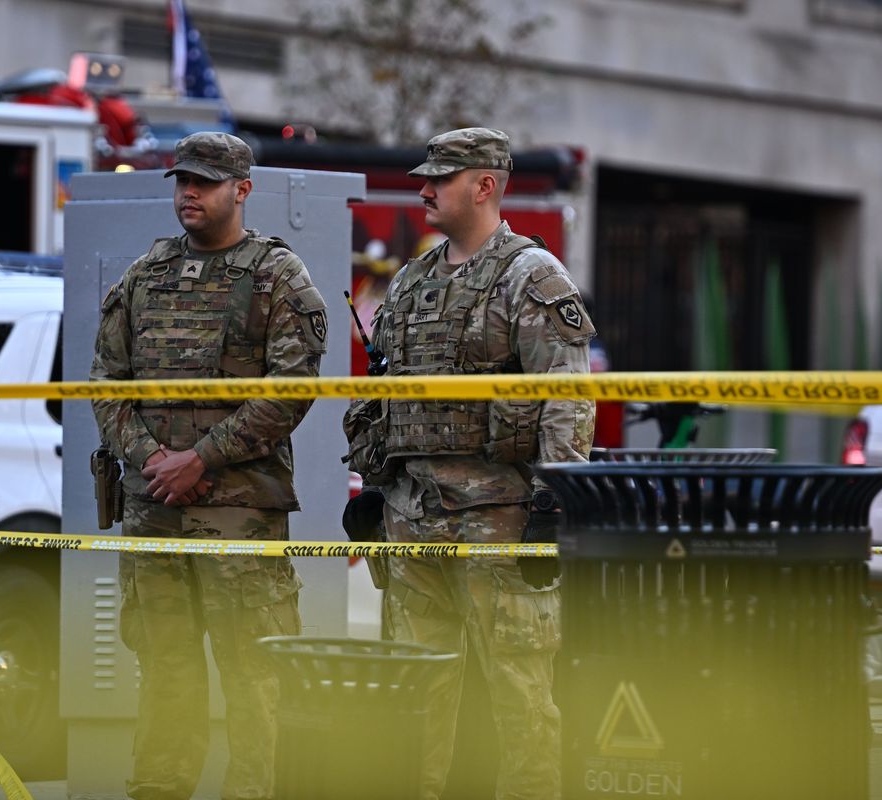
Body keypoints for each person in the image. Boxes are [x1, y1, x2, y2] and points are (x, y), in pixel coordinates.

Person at [345, 127, 596, 799]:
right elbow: (383, 392)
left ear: (484, 185)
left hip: (499, 524)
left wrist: (553, 504)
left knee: (520, 696)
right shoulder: (412, 282)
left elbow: (566, 399)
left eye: (440, 178)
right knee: (416, 698)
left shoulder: (532, 277)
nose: (422, 189)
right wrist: (374, 486)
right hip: (412, 519)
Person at [91, 131, 328, 800]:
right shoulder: (146, 273)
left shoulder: (278, 275)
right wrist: (153, 460)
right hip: (153, 510)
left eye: (204, 181)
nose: (187, 192)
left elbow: (290, 391)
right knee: (164, 670)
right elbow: (106, 381)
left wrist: (202, 458)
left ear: (242, 189)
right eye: (181, 180)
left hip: (238, 514)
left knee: (252, 675)